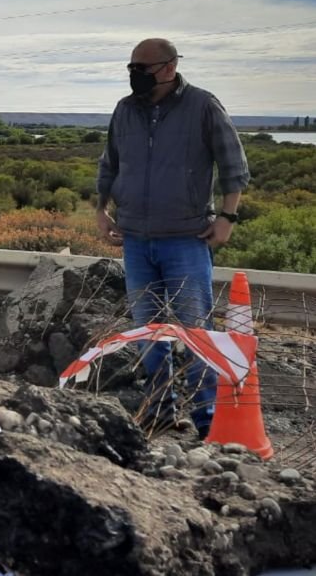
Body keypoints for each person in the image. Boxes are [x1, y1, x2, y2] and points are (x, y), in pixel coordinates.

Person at [96, 38, 250, 440]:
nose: (135, 76)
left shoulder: (202, 105)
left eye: (142, 69)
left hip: (185, 238)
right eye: (131, 67)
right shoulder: (125, 110)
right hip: (135, 240)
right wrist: (101, 208)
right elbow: (110, 163)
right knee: (149, 333)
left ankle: (208, 423)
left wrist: (228, 216)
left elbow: (234, 164)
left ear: (168, 67)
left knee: (197, 332)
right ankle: (159, 413)